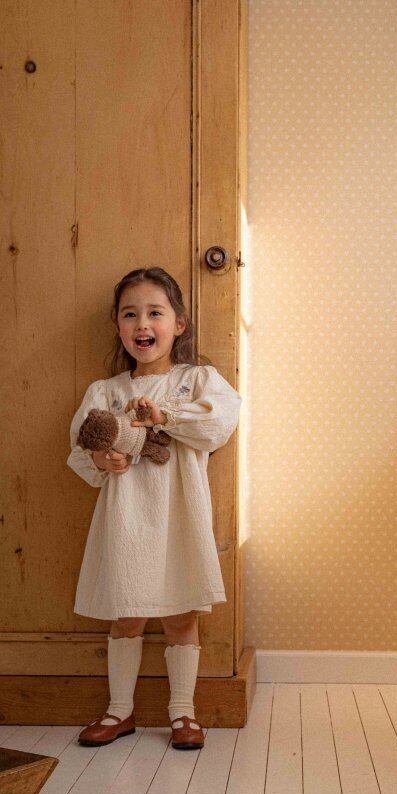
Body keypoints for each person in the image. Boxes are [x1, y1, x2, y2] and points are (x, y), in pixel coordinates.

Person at [67, 267, 241, 750]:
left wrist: (165, 416)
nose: (142, 324)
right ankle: (119, 710)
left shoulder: (198, 381)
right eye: (130, 314)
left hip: (178, 515)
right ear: (118, 325)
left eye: (155, 313)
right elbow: (81, 448)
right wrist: (103, 459)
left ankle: (183, 712)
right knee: (126, 613)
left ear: (178, 323)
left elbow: (219, 424)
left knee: (181, 615)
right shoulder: (107, 392)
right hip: (125, 518)